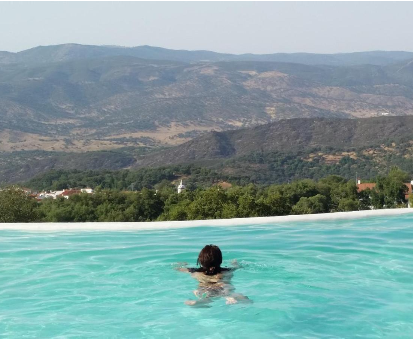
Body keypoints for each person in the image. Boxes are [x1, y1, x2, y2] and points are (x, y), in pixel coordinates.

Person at [176, 245, 250, 306]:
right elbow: (238, 267)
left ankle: (202, 301)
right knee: (227, 292)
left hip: (205, 288)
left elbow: (178, 269)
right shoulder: (227, 271)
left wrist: (181, 265)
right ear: (220, 260)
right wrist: (235, 263)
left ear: (201, 260)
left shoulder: (194, 271)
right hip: (222, 287)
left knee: (205, 296)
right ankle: (230, 297)